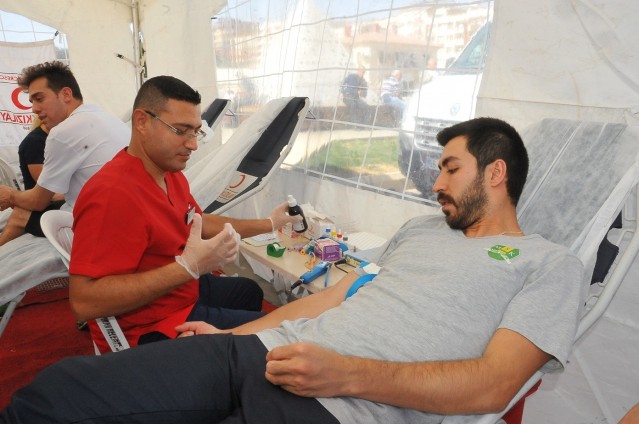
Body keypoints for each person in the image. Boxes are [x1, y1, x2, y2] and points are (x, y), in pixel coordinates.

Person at [0, 117, 587, 423]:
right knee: (58, 392)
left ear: (496, 173)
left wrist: (344, 374)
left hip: (340, 406)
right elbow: (334, 298)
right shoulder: (421, 230)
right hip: (269, 353)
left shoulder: (549, 264)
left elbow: (493, 385)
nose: (435, 183)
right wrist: (235, 335)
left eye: (450, 169)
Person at [67, 75, 301, 353]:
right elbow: (84, 303)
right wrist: (188, 267)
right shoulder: (112, 194)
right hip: (152, 325)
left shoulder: (169, 173)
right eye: (181, 131)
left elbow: (199, 222)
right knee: (281, 337)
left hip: (179, 292)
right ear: (142, 122)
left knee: (249, 291)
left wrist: (270, 223)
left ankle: (231, 366)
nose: (193, 144)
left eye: (196, 132)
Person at [0, 61, 129, 224]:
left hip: (101, 222)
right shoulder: (109, 119)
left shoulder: (62, 133)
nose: (34, 109)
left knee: (25, 215)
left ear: (66, 94)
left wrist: (10, 195)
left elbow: (38, 201)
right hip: (128, 215)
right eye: (32, 102)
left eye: (39, 99)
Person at [0, 117, 64, 246]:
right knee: (21, 212)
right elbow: (48, 191)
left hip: (50, 200)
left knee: (20, 213)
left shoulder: (62, 140)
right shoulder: (35, 142)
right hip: (43, 201)